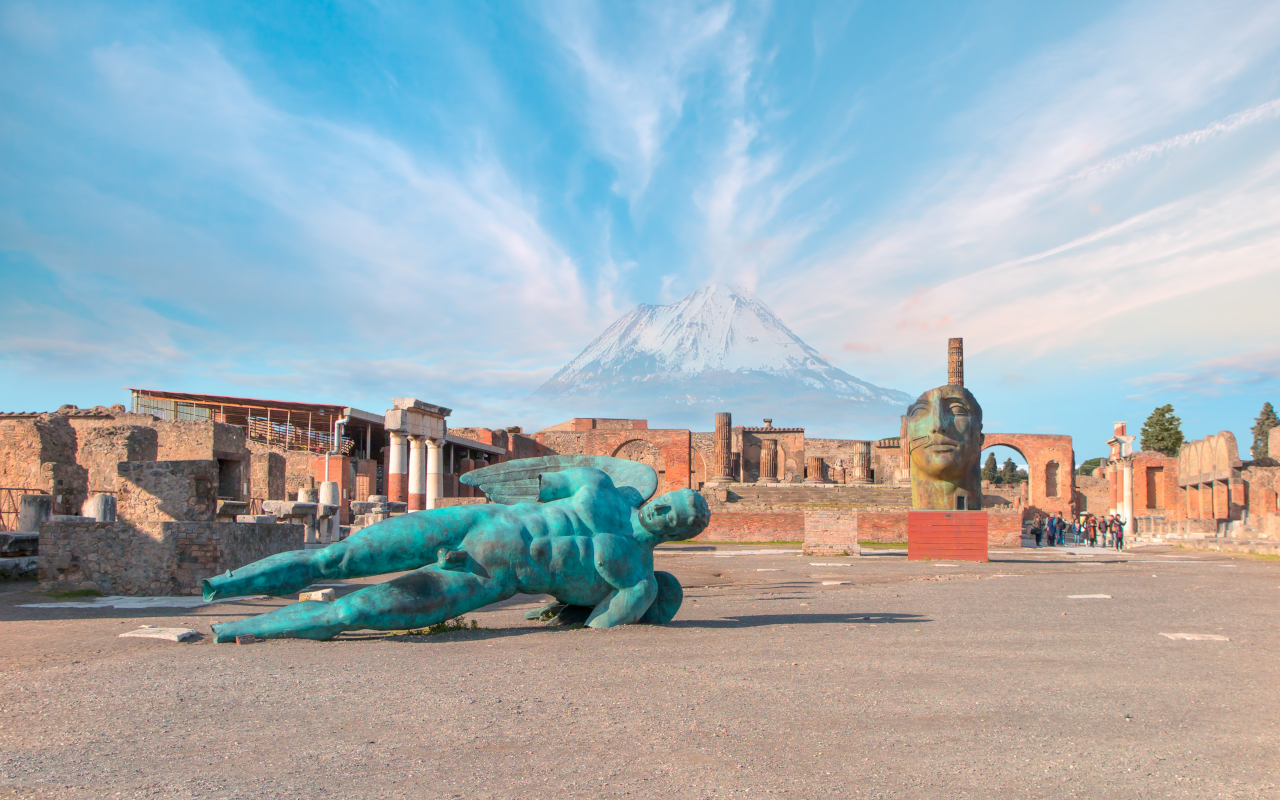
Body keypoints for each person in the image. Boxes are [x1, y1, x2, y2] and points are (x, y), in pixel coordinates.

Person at [204, 465, 711, 642]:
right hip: (477, 522)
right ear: (661, 496)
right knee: (336, 559)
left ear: (683, 536)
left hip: (488, 575)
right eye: (670, 503)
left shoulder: (637, 580)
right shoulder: (598, 485)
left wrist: (593, 607)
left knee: (355, 610)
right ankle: (223, 586)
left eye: (679, 519)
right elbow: (528, 486)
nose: (665, 514)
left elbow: (600, 627)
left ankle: (238, 630)